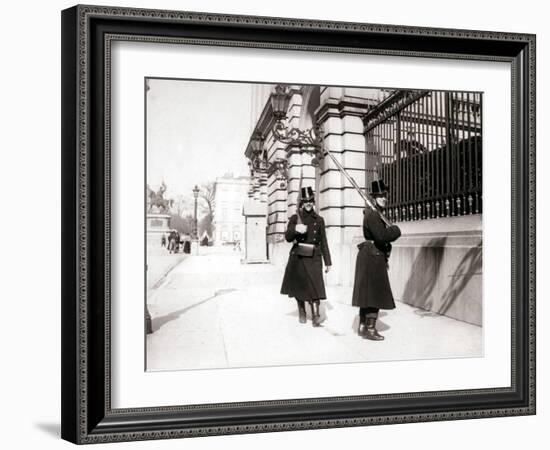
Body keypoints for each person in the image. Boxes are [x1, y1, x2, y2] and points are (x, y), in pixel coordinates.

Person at [351, 180, 401, 341]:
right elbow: (380, 237)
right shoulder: (373, 215)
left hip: (371, 255)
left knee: (368, 292)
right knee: (375, 292)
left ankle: (363, 326)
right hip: (373, 255)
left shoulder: (375, 213)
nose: (383, 198)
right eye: (380, 196)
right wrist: (395, 231)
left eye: (384, 195)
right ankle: (370, 329)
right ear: (373, 198)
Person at [281, 186, 332, 327]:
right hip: (299, 257)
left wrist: (328, 261)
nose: (308, 203)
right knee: (300, 286)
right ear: (301, 203)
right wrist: (295, 229)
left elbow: (324, 242)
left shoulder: (319, 220)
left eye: (311, 200)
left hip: (315, 255)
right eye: (306, 201)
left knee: (316, 285)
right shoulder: (295, 218)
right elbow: (287, 237)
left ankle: (316, 315)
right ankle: (302, 310)